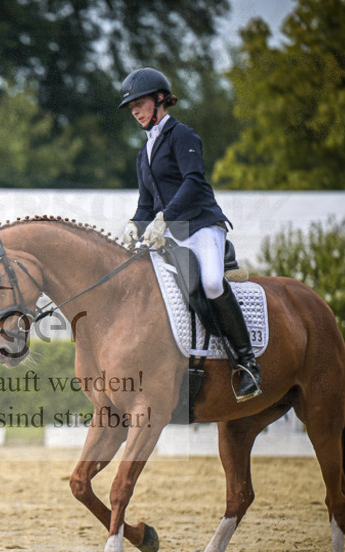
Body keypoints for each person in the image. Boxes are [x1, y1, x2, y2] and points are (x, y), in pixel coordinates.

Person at [117, 67, 261, 402]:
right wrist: (135, 224)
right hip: (172, 235)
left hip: (201, 226)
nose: (135, 111)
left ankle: (248, 363)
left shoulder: (182, 135)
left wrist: (165, 218)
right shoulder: (143, 153)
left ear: (160, 99)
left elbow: (193, 181)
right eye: (131, 107)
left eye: (139, 103)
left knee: (210, 284)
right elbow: (146, 203)